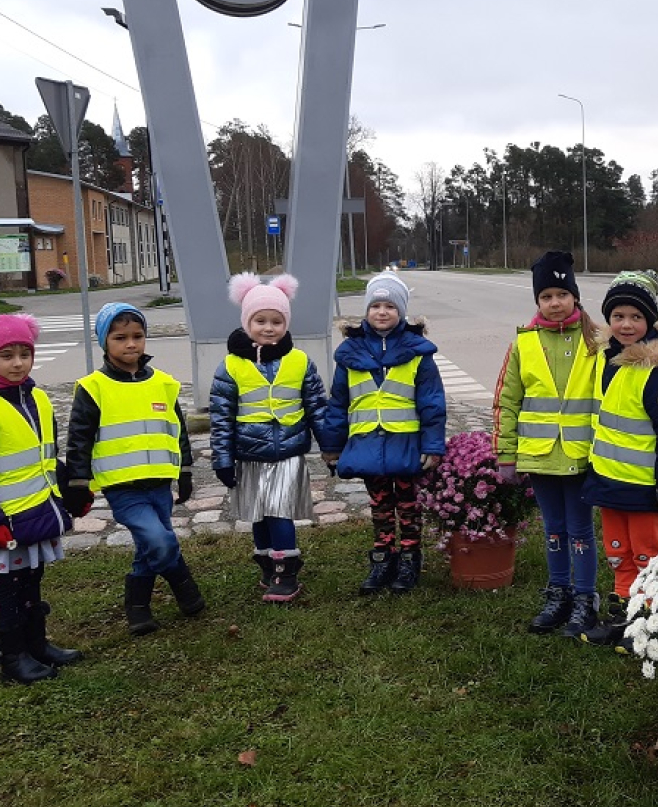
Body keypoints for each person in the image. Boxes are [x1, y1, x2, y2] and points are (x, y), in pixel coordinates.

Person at [0, 308, 86, 684]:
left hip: (37, 512)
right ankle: (12, 655)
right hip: (7, 520)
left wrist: (68, 493)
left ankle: (36, 643)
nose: (17, 364)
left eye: (24, 354)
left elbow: (45, 457)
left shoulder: (37, 398)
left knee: (32, 581)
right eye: (7, 356)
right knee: (7, 590)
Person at [64, 302, 204, 635]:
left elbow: (177, 430)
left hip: (158, 483)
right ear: (104, 342)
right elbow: (79, 439)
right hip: (122, 486)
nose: (131, 344)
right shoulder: (93, 388)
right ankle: (183, 582)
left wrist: (184, 471)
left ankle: (138, 606)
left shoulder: (164, 384)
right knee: (158, 539)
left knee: (150, 544)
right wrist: (78, 482)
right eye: (120, 337)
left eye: (138, 336)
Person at [493, 251, 601, 637]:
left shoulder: (596, 342)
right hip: (539, 456)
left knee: (580, 529)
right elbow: (507, 400)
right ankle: (558, 592)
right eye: (546, 296)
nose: (554, 303)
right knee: (554, 528)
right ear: (537, 301)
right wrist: (506, 454)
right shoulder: (524, 343)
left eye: (561, 294)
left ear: (574, 296)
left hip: (581, 455)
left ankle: (585, 599)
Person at [579, 270, 658, 651]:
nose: (626, 325)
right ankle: (622, 613)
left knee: (646, 554)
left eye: (636, 317)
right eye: (618, 316)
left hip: (644, 487)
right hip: (608, 479)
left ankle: (648, 619)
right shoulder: (608, 358)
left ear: (650, 321)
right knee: (616, 551)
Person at [318, 272, 446, 595]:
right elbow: (338, 404)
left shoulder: (417, 353)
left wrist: (432, 445)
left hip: (405, 445)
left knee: (408, 503)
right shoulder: (351, 354)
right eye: (376, 305)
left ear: (401, 311)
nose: (382, 312)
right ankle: (383, 558)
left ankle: (409, 558)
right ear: (366, 310)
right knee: (380, 504)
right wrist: (332, 446)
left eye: (390, 305)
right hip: (366, 444)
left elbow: (432, 403)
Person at [209, 272, 328, 602]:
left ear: (286, 323)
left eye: (276, 320)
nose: (268, 327)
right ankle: (266, 562)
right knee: (257, 513)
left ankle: (286, 571)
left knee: (279, 511)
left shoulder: (300, 361)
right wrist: (221, 458)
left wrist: (330, 446)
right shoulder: (230, 366)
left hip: (288, 452)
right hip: (248, 453)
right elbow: (221, 416)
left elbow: (317, 406)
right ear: (247, 322)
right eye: (260, 320)